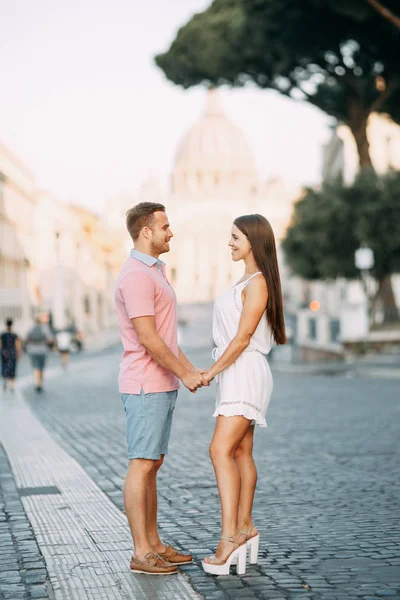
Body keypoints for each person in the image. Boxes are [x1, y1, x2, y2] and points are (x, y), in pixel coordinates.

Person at [115, 202, 207, 576]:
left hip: (159, 383)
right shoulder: (137, 275)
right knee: (141, 464)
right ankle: (141, 552)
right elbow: (150, 339)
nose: (171, 232)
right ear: (145, 231)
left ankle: (154, 543)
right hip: (143, 384)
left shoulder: (155, 272)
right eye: (165, 226)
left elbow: (167, 337)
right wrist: (184, 376)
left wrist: (188, 369)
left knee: (153, 463)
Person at [201, 214, 286, 576]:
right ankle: (246, 527)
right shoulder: (247, 280)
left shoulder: (258, 283)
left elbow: (241, 338)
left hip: (243, 371)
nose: (230, 243)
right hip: (238, 372)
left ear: (253, 239)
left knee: (219, 450)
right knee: (240, 451)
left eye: (236, 237)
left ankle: (229, 538)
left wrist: (210, 372)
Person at [25, 317, 53, 393]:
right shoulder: (45, 328)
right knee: (41, 367)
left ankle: (37, 383)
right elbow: (50, 340)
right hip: (42, 350)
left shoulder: (30, 328)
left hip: (32, 349)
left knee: (35, 367)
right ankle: (40, 383)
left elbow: (26, 339)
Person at [1, 318, 22, 393]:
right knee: (12, 367)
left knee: (4, 366)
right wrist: (19, 353)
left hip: (4, 352)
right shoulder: (14, 334)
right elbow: (18, 345)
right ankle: (12, 384)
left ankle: (4, 380)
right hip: (12, 353)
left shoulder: (2, 334)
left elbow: (0, 344)